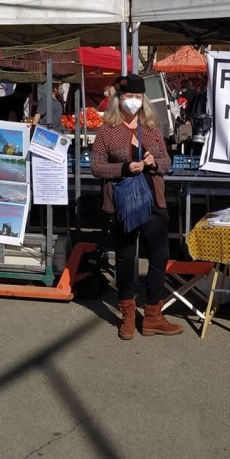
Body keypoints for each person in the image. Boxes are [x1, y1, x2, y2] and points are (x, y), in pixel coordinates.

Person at [90, 73, 180, 340]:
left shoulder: (152, 126)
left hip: (154, 201)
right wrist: (123, 168)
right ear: (119, 99)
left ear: (144, 100)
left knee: (159, 257)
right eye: (128, 97)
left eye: (138, 97)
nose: (133, 101)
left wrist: (154, 162)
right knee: (126, 258)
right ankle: (128, 314)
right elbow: (96, 167)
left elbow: (167, 161)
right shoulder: (107, 130)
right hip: (124, 204)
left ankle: (152, 314)